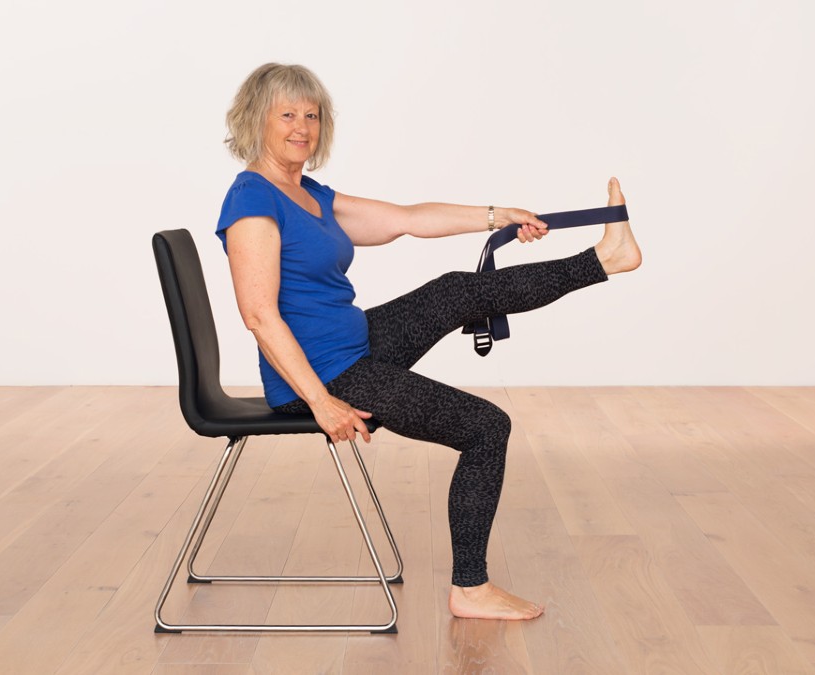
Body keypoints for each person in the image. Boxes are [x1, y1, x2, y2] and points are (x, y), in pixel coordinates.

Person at [216, 63, 641, 621]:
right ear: (256, 121)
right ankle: (470, 588)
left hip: (355, 347)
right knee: (487, 426)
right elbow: (259, 315)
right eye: (287, 114)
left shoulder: (307, 193)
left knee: (454, 290)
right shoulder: (252, 200)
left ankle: (605, 259)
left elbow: (407, 220)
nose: (303, 126)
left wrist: (498, 217)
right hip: (323, 377)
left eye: (312, 115)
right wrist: (321, 403)